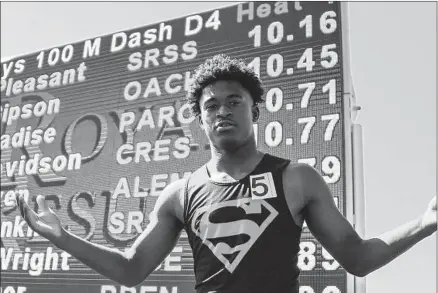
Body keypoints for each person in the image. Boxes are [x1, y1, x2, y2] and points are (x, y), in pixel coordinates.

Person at [16, 54, 437, 293]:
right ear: (201, 120)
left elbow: (358, 257)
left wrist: (425, 223)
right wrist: (60, 236)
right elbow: (131, 269)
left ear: (254, 111)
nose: (222, 112)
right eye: (211, 106)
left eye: (234, 102)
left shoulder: (296, 177)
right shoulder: (180, 194)